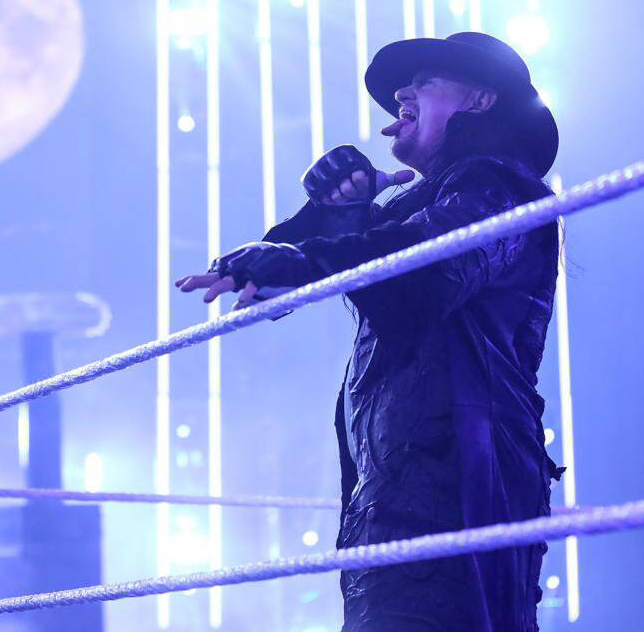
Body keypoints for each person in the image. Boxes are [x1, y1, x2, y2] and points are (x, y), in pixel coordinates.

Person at [175, 32, 564, 631]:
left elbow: (424, 271)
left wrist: (310, 256)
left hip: (458, 483)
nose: (403, 94)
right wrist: (327, 220)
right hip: (405, 481)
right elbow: (356, 273)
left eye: (425, 82)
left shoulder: (500, 189)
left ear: (480, 101)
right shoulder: (421, 208)